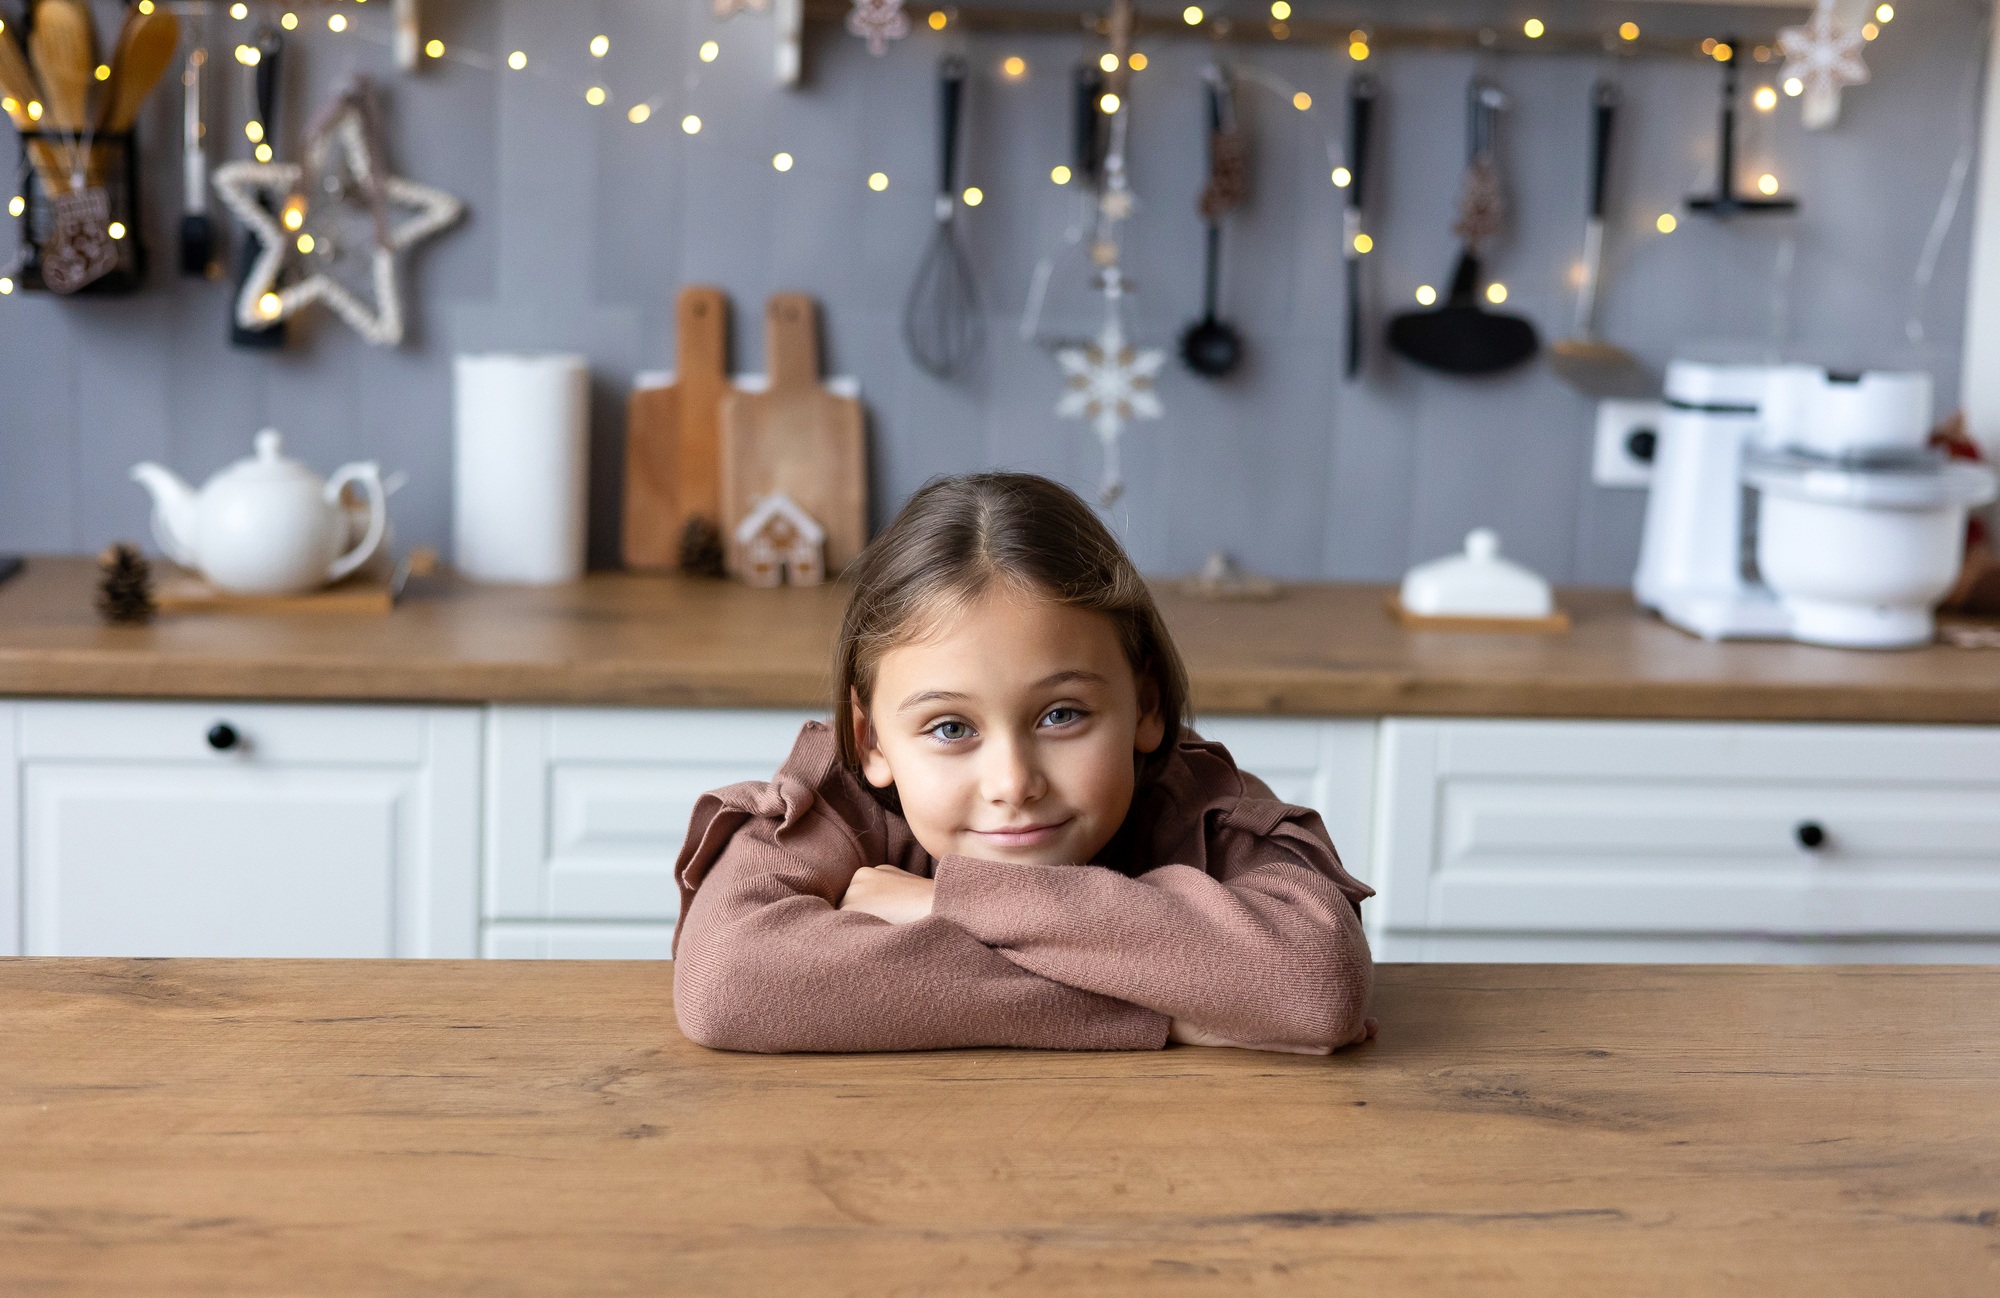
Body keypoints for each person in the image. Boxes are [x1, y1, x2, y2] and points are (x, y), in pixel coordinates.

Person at [672, 472, 1376, 1054]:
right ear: (873, 742)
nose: (1013, 783)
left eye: (1061, 715)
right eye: (950, 727)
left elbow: (1317, 984)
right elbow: (727, 984)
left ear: (1146, 706)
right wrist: (1170, 1010)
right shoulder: (833, 806)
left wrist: (942, 902)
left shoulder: (1203, 807)